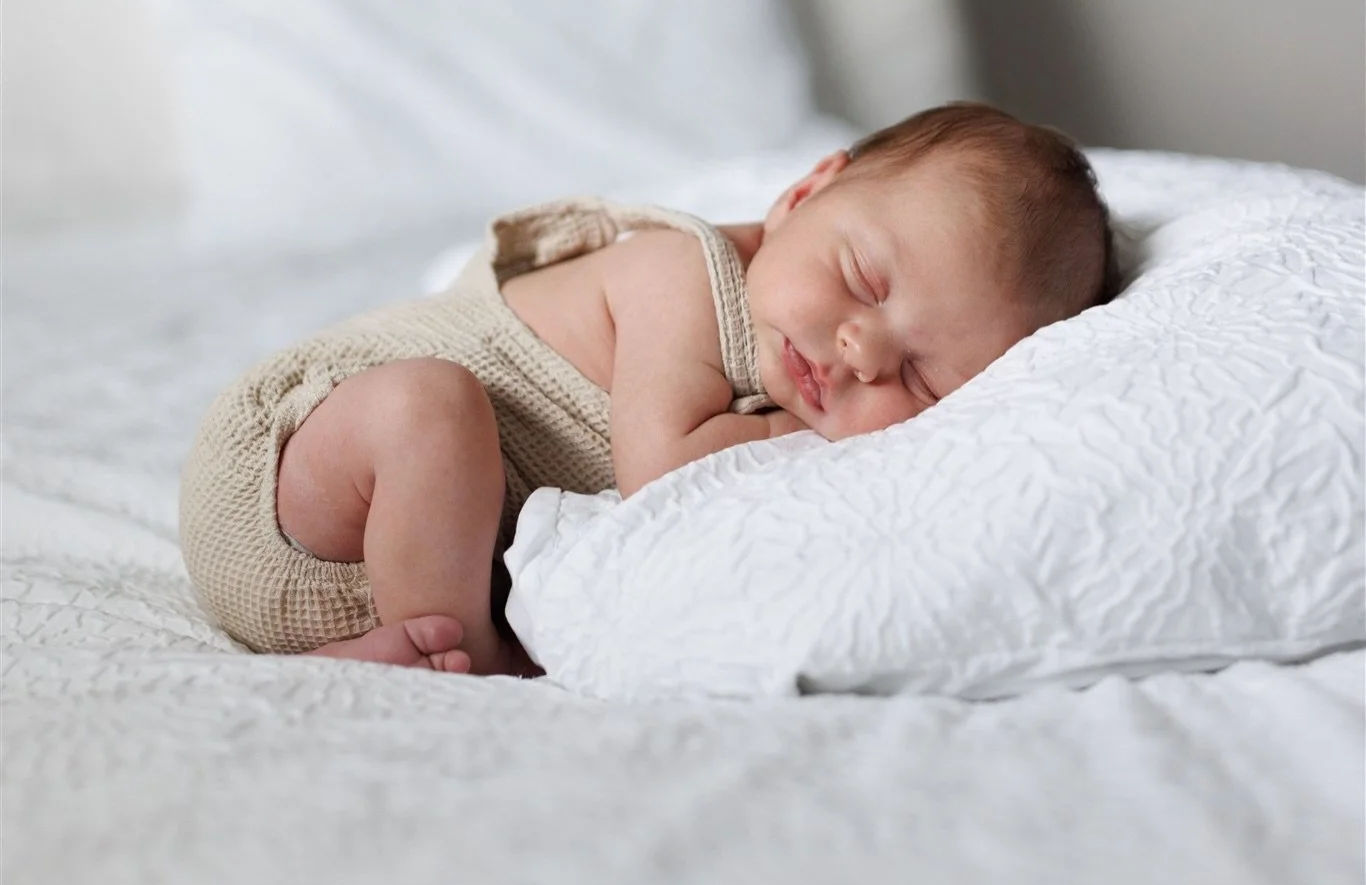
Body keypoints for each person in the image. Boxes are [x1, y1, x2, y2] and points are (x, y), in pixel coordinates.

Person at [180, 102, 1119, 678]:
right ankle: (466, 662)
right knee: (431, 407)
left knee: (438, 423)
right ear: (804, 193)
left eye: (919, 377)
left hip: (386, 555)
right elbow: (664, 475)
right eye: (866, 281)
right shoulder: (680, 274)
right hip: (287, 486)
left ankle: (361, 656)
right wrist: (821, 434)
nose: (860, 351)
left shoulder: (783, 367)